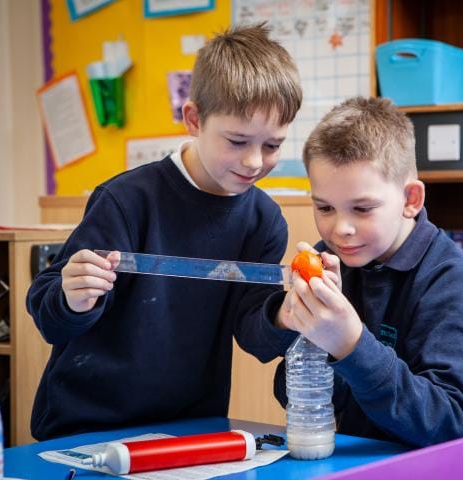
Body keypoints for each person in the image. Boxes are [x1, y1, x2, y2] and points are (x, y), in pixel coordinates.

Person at [26, 23, 303, 440]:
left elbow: (254, 336)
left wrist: (286, 314)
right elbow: (52, 319)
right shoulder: (126, 200)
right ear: (193, 119)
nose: (253, 161)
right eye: (237, 140)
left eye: (272, 145)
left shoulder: (264, 222)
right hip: (86, 427)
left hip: (189, 430)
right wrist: (71, 297)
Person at [271, 96, 463, 447]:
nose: (341, 229)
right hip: (360, 459)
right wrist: (301, 331)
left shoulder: (451, 280)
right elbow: (292, 392)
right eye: (324, 207)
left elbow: (451, 424)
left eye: (362, 208)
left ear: (410, 200)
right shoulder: (331, 260)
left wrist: (351, 344)